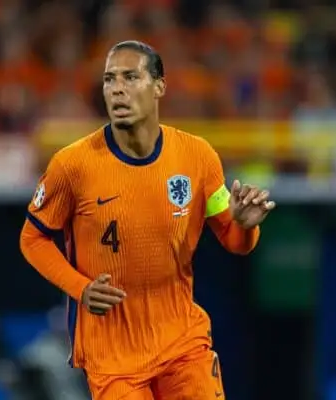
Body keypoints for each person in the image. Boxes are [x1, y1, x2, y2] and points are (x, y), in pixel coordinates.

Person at [20, 40, 274, 400]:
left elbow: (235, 242)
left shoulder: (198, 157)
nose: (117, 88)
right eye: (110, 80)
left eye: (130, 77)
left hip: (182, 342)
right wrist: (81, 288)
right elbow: (32, 239)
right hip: (112, 353)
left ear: (159, 86)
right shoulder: (71, 166)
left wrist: (247, 226)